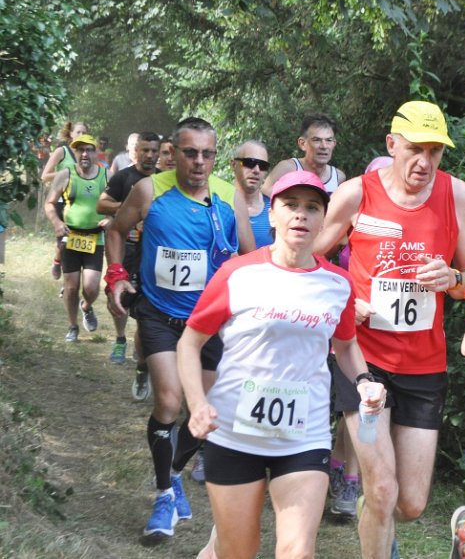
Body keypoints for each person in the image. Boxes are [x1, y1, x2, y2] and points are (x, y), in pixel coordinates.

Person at [179, 170, 387, 559]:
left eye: (312, 208)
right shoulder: (237, 273)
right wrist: (197, 403)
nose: (301, 215)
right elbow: (190, 343)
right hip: (234, 432)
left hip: (303, 435)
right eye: (290, 205)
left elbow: (345, 346)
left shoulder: (338, 284)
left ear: (324, 221)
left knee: (297, 551)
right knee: (238, 552)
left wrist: (363, 380)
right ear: (272, 214)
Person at [313, 100, 465, 558]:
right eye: (414, 149)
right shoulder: (356, 194)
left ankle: (375, 514)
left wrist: (454, 278)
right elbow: (310, 258)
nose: (424, 161)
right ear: (391, 145)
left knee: (410, 503)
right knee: (383, 489)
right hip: (363, 365)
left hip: (424, 368)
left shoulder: (459, 197)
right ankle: (376, 515)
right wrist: (345, 300)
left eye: (434, 151)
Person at [104, 117, 254, 540]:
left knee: (203, 412)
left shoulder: (228, 197)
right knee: (169, 402)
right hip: (160, 316)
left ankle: (171, 473)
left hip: (208, 325)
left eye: (208, 154)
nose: (199, 162)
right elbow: (115, 231)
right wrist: (116, 275)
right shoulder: (149, 190)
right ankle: (164, 495)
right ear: (173, 152)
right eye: (190, 153)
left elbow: (250, 257)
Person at [327, 154, 393, 520]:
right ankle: (349, 479)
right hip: (349, 339)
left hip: (389, 342)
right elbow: (322, 271)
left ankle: (342, 470)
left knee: (354, 414)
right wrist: (348, 304)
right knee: (354, 410)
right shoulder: (345, 231)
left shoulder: (401, 233)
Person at [96, 131, 161, 368]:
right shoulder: (124, 176)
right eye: (145, 150)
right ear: (136, 152)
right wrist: (128, 208)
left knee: (148, 301)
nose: (150, 155)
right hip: (125, 246)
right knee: (121, 296)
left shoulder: (165, 180)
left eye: (154, 151)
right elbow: (101, 204)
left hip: (152, 250)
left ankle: (142, 347)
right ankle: (120, 339)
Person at [43, 133, 110, 342]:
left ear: (96, 153)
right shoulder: (65, 174)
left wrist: (110, 218)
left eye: (89, 150)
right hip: (70, 237)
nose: (84, 154)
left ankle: (86, 306)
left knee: (91, 287)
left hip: (95, 238)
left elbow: (118, 204)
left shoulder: (106, 175)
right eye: (80, 150)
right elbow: (49, 203)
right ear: (76, 152)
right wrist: (57, 223)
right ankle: (72, 326)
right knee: (71, 287)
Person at [41, 120, 89, 280]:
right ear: (71, 134)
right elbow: (45, 176)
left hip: (81, 201)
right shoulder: (62, 151)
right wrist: (67, 173)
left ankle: (71, 278)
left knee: (78, 240)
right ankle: (57, 261)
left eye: (84, 132)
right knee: (64, 239)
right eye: (78, 132)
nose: (81, 135)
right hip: (61, 200)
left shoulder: (88, 153)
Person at [261, 112, 346, 195]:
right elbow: (263, 196)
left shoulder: (338, 177)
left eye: (329, 140)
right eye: (316, 140)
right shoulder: (288, 169)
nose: (324, 146)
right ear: (302, 144)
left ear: (334, 144)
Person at [231, 140, 273, 249]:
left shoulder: (275, 209)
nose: (257, 170)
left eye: (263, 166)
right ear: (234, 165)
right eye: (250, 163)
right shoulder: (218, 206)